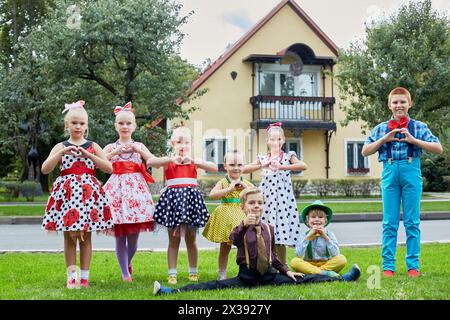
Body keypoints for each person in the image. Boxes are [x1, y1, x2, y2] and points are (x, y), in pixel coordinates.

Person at [153, 187, 360, 295]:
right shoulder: (240, 228)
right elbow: (233, 240)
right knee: (213, 285)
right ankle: (170, 291)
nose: (256, 206)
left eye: (259, 203)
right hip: (247, 276)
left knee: (301, 279)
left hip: (270, 275)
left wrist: (287, 271)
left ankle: (343, 279)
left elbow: (272, 257)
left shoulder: (269, 228)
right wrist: (244, 224)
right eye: (252, 203)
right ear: (243, 207)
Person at [361, 87, 443, 278]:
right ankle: (388, 266)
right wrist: (385, 139)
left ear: (410, 104)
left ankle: (412, 266)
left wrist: (414, 140)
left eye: (403, 102)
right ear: (389, 105)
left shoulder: (419, 127)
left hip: (411, 169)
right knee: (389, 222)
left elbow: (438, 148)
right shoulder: (381, 127)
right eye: (395, 102)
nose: (399, 105)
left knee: (412, 222)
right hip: (389, 171)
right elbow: (365, 151)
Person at [41, 100, 113, 289]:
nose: (78, 126)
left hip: (88, 197)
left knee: (86, 236)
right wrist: (62, 152)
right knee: (68, 236)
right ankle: (71, 278)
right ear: (67, 125)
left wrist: (89, 155)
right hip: (67, 196)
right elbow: (45, 169)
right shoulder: (60, 146)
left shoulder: (93, 146)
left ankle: (85, 278)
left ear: (86, 125)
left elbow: (109, 168)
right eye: (74, 123)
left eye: (81, 123)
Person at [147, 125, 218, 284]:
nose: (183, 146)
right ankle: (172, 273)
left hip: (190, 203)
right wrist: (170, 159)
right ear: (173, 143)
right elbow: (151, 161)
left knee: (191, 240)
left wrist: (194, 160)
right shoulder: (169, 162)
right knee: (174, 240)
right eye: (179, 142)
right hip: (173, 204)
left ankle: (193, 272)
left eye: (186, 143)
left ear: (191, 144)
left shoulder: (194, 162)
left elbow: (214, 168)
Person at [103, 102, 156, 282]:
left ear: (134, 126)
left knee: (133, 239)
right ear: (115, 126)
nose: (125, 126)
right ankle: (125, 273)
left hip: (136, 193)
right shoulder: (110, 147)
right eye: (121, 123)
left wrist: (138, 150)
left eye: (128, 123)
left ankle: (127, 261)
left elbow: (152, 160)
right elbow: (99, 161)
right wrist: (114, 152)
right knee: (120, 235)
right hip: (116, 192)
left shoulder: (139, 145)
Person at [244, 122, 306, 264]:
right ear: (267, 141)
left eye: (278, 139)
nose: (275, 142)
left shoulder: (288, 156)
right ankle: (265, 265)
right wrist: (262, 165)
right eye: (272, 139)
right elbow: (244, 169)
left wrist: (282, 166)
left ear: (283, 140)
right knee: (265, 232)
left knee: (280, 233)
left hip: (283, 201)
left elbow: (303, 165)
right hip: (267, 201)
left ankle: (282, 265)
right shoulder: (263, 158)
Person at [202, 150, 254, 280]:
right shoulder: (224, 181)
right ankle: (222, 273)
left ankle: (246, 270)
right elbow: (212, 194)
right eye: (232, 165)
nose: (236, 168)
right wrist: (229, 189)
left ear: (243, 166)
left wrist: (245, 189)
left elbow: (256, 194)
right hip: (226, 217)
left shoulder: (246, 182)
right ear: (225, 166)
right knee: (225, 246)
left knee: (246, 245)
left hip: (242, 216)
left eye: (240, 165)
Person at [291, 200, 348, 277]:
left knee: (342, 259)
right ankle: (324, 273)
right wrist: (308, 238)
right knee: (294, 262)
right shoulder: (304, 235)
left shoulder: (330, 234)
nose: (317, 219)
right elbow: (298, 254)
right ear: (308, 221)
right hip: (309, 263)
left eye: (320, 217)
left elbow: (335, 254)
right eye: (313, 217)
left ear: (325, 221)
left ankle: (316, 272)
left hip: (326, 263)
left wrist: (326, 237)